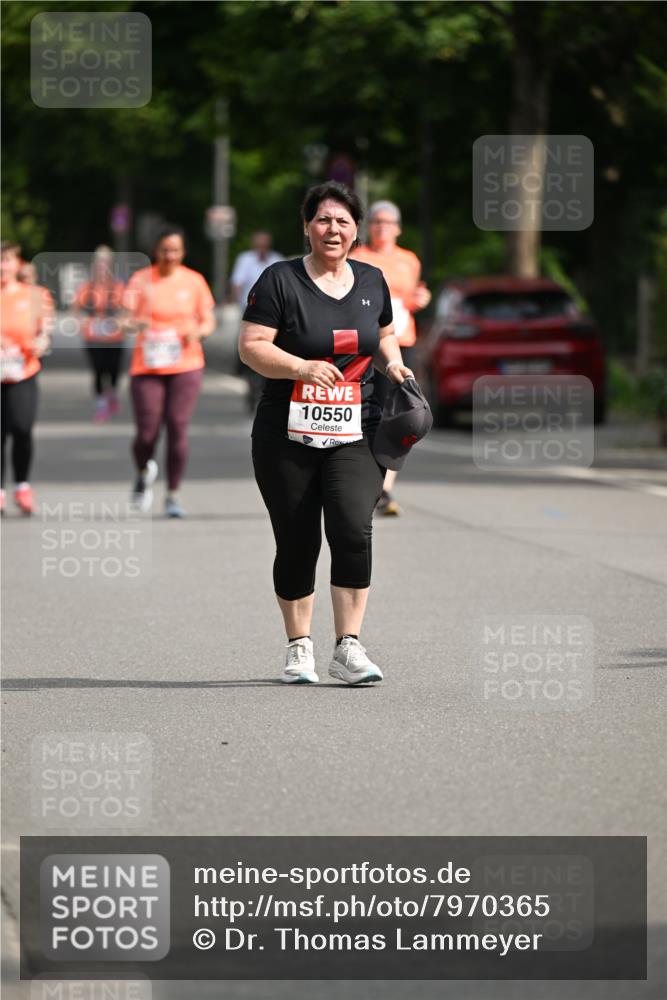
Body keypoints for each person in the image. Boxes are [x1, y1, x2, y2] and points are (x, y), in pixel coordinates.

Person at [239, 182, 414, 686]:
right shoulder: (279, 281)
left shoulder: (372, 281)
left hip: (357, 424)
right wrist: (300, 367)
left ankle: (349, 646)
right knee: (296, 540)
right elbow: (252, 346)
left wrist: (396, 367)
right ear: (307, 227)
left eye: (342, 221)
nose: (332, 229)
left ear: (356, 229)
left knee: (352, 526)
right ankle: (299, 648)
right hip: (285, 430)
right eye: (322, 220)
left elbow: (383, 334)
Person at [123, 226, 215, 518]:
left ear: (182, 252)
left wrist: (198, 333)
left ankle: (173, 494)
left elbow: (208, 319)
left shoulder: (194, 281)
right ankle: (142, 470)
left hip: (185, 364)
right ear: (156, 251)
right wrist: (136, 324)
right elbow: (123, 320)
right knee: (147, 433)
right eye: (165, 250)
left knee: (177, 426)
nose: (170, 256)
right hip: (147, 366)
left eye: (175, 250)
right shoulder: (141, 279)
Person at [351, 200, 431, 515]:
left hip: (402, 342)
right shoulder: (357, 257)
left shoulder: (409, 261)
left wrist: (418, 300)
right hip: (369, 345)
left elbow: (410, 298)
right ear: (369, 226)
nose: (382, 227)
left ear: (398, 228)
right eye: (376, 221)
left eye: (388, 222)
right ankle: (368, 481)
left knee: (400, 414)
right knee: (370, 413)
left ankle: (384, 487)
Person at [1, 241, 53, 515]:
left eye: (7, 260)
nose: (2, 266)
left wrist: (41, 340)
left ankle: (22, 485)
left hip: (23, 371)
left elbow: (45, 329)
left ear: (17, 263)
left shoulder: (36, 295)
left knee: (22, 427)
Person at [230, 232, 284, 411]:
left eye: (265, 245)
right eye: (259, 244)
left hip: (275, 314)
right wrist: (237, 304)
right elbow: (237, 283)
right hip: (251, 311)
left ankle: (266, 386)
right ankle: (249, 381)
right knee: (248, 348)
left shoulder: (277, 259)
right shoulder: (245, 259)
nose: (262, 248)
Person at [73, 246, 126, 422]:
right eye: (99, 264)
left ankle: (112, 394)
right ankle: (101, 404)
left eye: (106, 264)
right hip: (93, 337)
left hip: (114, 337)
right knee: (98, 370)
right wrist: (83, 323)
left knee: (114, 371)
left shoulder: (119, 287)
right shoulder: (85, 287)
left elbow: (127, 309)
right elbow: (77, 309)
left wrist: (119, 321)